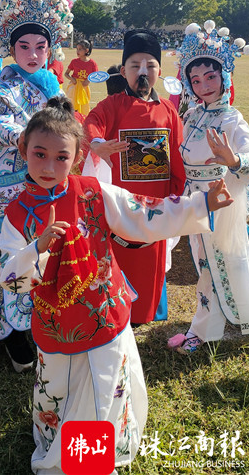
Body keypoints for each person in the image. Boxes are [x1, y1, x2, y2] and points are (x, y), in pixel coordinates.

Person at [0, 96, 232, 473]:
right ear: (24, 149)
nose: (49, 166)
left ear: (77, 156)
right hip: (58, 323)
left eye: (61, 157)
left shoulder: (92, 191)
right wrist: (36, 248)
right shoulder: (17, 211)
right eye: (39, 154)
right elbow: (6, 273)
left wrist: (201, 205)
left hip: (105, 311)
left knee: (106, 388)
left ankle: (93, 458)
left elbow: (145, 211)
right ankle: (62, 451)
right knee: (60, 390)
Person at [0, 0, 69, 372]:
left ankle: (36, 323)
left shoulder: (54, 90)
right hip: (11, 188)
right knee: (8, 254)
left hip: (48, 186)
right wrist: (23, 137)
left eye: (40, 46)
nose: (33, 54)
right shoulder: (2, 91)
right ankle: (6, 329)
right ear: (11, 50)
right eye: (24, 47)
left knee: (44, 254)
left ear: (50, 49)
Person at [83, 30, 186, 325]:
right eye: (135, 65)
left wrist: (177, 193)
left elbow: (178, 152)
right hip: (123, 203)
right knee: (121, 255)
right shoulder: (113, 105)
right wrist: (97, 143)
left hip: (157, 199)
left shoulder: (168, 110)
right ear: (123, 70)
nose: (142, 72)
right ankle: (118, 309)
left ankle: (148, 310)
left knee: (152, 254)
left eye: (150, 65)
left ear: (159, 71)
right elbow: (92, 122)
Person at [167, 21, 249, 353]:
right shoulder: (192, 114)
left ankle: (205, 330)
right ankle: (241, 315)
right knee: (206, 262)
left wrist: (233, 159)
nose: (203, 85)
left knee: (219, 264)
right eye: (196, 80)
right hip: (196, 202)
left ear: (224, 77)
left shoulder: (231, 118)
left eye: (210, 77)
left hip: (219, 201)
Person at [64, 39, 97, 116]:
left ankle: (82, 119)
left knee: (84, 106)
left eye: (80, 49)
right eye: (77, 49)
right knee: (71, 106)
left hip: (84, 88)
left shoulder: (92, 63)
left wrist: (88, 80)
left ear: (86, 50)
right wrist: (72, 79)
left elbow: (95, 75)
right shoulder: (74, 61)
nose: (77, 51)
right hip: (73, 87)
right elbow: (66, 74)